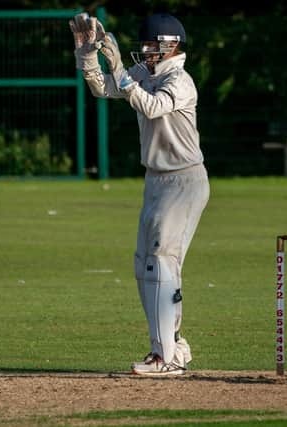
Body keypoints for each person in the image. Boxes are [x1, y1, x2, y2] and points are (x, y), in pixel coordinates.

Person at [70, 13, 210, 376]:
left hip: (184, 180)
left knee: (162, 259)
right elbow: (102, 88)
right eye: (145, 45)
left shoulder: (181, 81)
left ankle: (165, 357)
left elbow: (151, 106)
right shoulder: (148, 75)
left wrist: (119, 67)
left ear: (171, 46)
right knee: (145, 263)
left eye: (152, 46)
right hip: (156, 180)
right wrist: (87, 53)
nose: (145, 52)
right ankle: (170, 346)